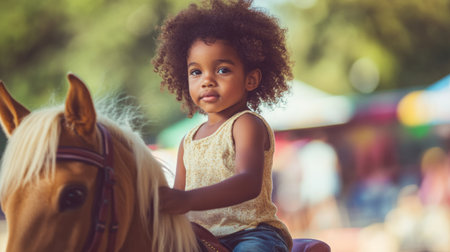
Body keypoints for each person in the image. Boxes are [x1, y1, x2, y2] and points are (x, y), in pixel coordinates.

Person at [152, 0, 293, 251]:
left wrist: (186, 200)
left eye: (222, 69)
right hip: (196, 234)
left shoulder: (245, 124)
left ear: (250, 79)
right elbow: (178, 197)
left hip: (249, 232)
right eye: (196, 72)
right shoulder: (188, 140)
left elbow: (248, 182)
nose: (207, 80)